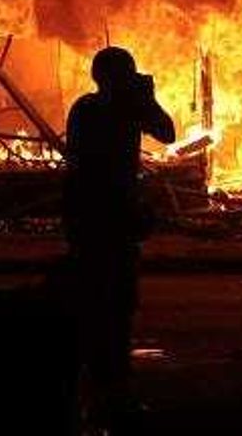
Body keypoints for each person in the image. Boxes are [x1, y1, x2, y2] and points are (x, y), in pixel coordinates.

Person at [64, 46, 175, 427]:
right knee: (113, 306)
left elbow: (166, 133)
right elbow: (167, 132)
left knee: (98, 304)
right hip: (109, 217)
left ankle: (95, 390)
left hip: (88, 218)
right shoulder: (125, 109)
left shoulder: (83, 108)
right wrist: (147, 99)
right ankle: (111, 392)